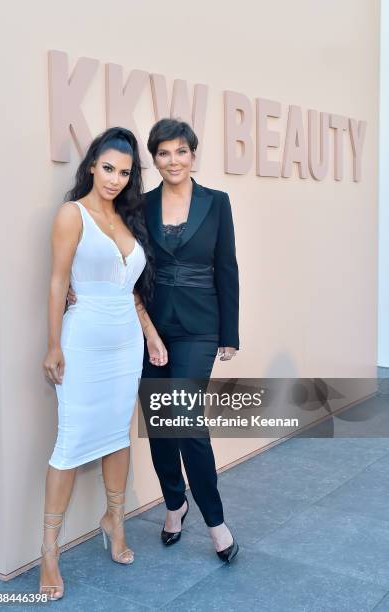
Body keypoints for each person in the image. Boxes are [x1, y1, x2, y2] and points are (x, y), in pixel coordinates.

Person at [40, 127, 167, 600]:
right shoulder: (72, 214)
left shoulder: (129, 219)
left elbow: (130, 291)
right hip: (84, 342)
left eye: (124, 171)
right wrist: (53, 344)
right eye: (108, 167)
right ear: (92, 165)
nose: (114, 178)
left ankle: (114, 519)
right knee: (71, 443)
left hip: (126, 344)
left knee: (118, 435)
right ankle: (49, 550)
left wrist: (151, 334)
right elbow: (57, 282)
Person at [141, 118, 240, 563]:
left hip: (201, 325)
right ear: (155, 159)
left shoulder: (216, 202)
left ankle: (215, 519)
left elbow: (227, 267)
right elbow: (135, 268)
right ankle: (174, 503)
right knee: (160, 422)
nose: (173, 160)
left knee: (185, 420)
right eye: (164, 153)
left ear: (193, 155)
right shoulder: (141, 205)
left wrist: (230, 332)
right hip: (154, 324)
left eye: (181, 151)